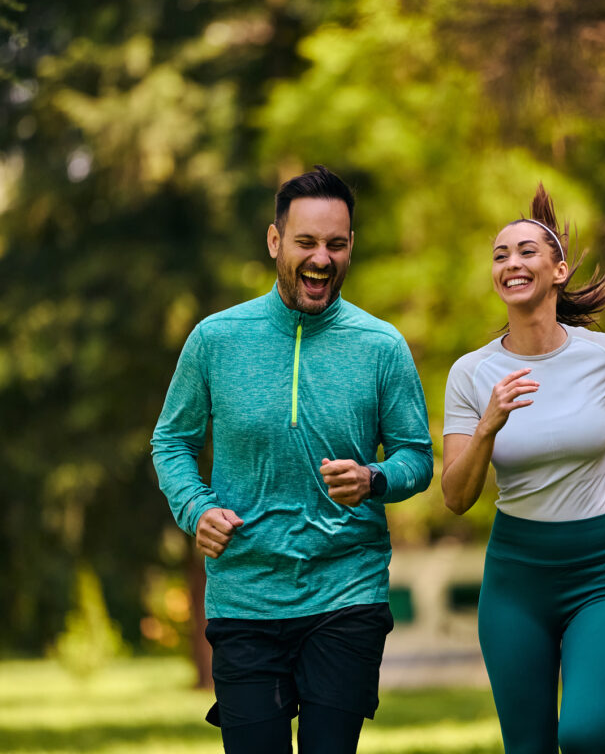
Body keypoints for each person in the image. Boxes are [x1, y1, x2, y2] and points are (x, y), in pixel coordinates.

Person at [151, 165, 433, 754]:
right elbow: (171, 440)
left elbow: (417, 457)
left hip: (346, 591)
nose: (321, 259)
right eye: (306, 242)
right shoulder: (216, 339)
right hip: (245, 593)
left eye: (335, 244)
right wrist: (194, 508)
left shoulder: (381, 346)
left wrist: (375, 478)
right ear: (275, 241)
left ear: (351, 246)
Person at [441, 183, 605, 754]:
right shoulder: (471, 374)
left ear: (559, 270)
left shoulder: (604, 354)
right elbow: (456, 496)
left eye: (525, 251)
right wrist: (487, 426)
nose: (511, 262)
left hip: (600, 574)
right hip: (516, 580)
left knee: (586, 737)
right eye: (500, 255)